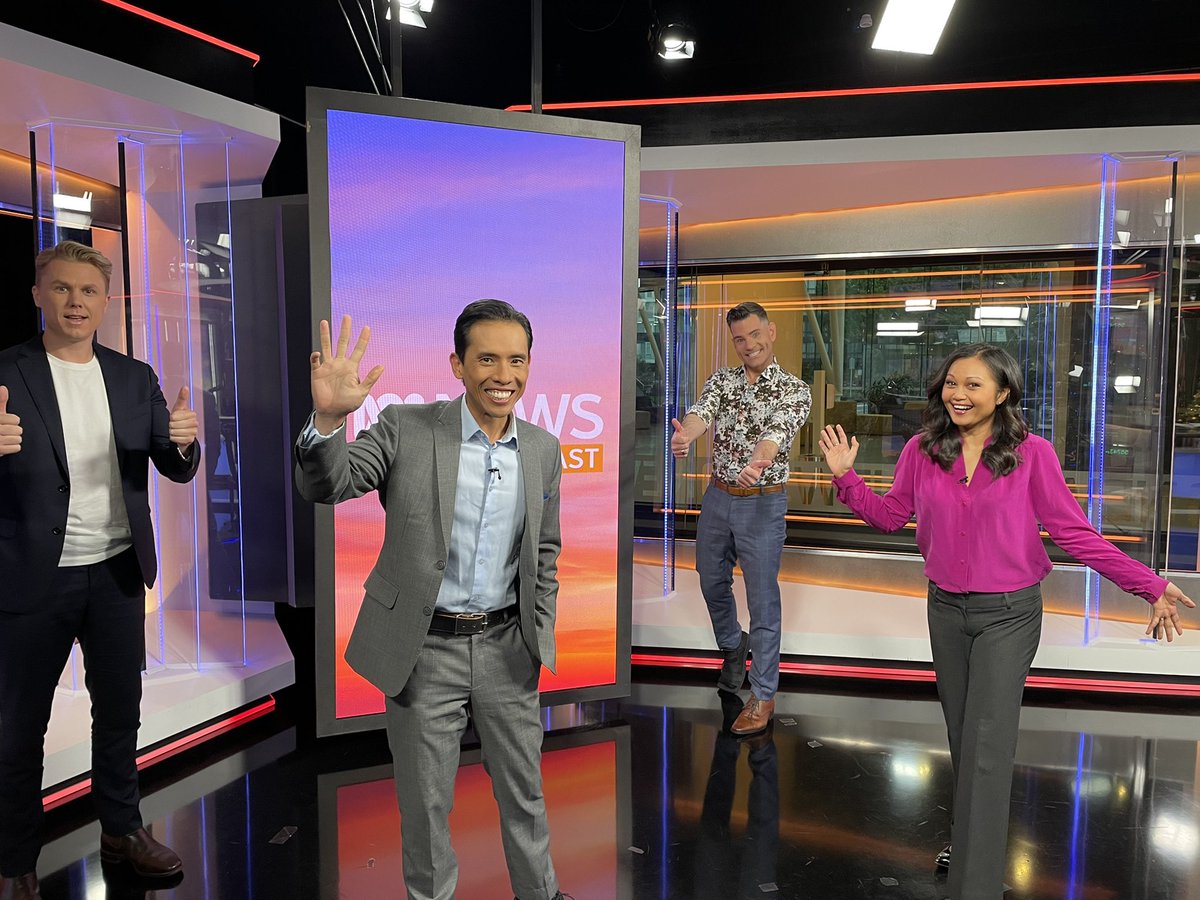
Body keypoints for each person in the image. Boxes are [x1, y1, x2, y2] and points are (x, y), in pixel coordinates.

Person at [817, 343, 1194, 900]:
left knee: (987, 745)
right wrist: (847, 479)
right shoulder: (923, 450)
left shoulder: (1032, 453)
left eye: (973, 385)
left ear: (1003, 394)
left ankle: (975, 882)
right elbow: (892, 517)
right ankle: (970, 838)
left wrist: (1149, 584)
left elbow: (1073, 534)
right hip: (945, 610)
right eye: (951, 383)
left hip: (1009, 615)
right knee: (964, 736)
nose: (958, 394)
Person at [294, 302, 569, 900]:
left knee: (524, 794)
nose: (504, 375)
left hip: (507, 649)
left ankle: (540, 894)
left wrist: (536, 632)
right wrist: (328, 420)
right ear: (457, 364)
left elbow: (544, 551)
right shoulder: (406, 428)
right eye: (487, 359)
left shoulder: (543, 449)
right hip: (423, 652)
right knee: (424, 806)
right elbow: (329, 484)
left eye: (517, 360)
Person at [0, 242, 200, 900]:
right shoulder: (6, 371)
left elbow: (173, 465)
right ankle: (15, 861)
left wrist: (185, 442)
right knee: (17, 729)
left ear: (106, 301)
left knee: (119, 714)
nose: (75, 302)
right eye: (61, 288)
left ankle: (122, 830)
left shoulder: (133, 376)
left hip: (116, 572)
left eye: (88, 291)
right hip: (33, 576)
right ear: (38, 294)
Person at [671, 302, 811, 735]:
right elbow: (701, 411)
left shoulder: (794, 390)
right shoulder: (723, 380)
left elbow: (777, 432)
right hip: (718, 497)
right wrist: (686, 434)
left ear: (771, 332)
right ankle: (734, 645)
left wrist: (759, 460)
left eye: (755, 335)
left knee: (763, 599)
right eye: (739, 339)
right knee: (710, 579)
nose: (748, 345)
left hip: (763, 503)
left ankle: (763, 695)